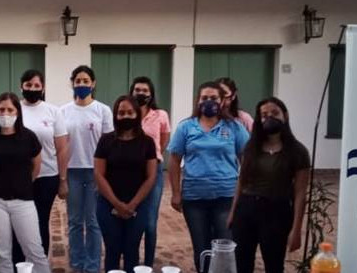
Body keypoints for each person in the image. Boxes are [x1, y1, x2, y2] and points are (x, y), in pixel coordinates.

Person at [167, 81, 249, 273]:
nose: (209, 101)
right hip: (194, 199)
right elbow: (174, 160)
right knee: (202, 248)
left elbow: (247, 159)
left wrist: (243, 190)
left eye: (214, 98)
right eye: (204, 98)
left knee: (224, 247)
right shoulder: (186, 127)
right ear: (198, 100)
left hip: (226, 197)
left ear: (222, 101)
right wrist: (176, 193)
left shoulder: (234, 127)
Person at [229, 97, 310, 273]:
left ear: (285, 116)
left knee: (274, 265)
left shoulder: (298, 152)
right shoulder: (251, 147)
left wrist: (296, 229)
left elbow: (300, 193)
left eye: (274, 113)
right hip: (247, 209)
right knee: (242, 264)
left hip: (277, 212)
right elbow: (241, 181)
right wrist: (233, 212)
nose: (269, 118)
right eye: (264, 115)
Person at [0, 92, 51, 273]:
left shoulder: (29, 137)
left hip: (23, 201)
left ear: (18, 112)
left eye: (10, 110)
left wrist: (21, 184)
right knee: (1, 252)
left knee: (34, 249)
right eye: (1, 110)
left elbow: (36, 167)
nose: (6, 114)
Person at [11, 69, 69, 264]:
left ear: (43, 88)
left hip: (47, 177)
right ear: (21, 86)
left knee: (40, 221)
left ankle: (39, 264)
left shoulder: (53, 111)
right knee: (17, 222)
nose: (33, 88)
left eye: (37, 85)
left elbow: (62, 148)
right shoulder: (14, 109)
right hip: (18, 178)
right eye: (29, 85)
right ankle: (18, 264)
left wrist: (62, 179)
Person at [94, 95, 157, 272]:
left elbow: (151, 176)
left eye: (130, 112)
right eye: (121, 113)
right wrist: (117, 204)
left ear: (137, 114)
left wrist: (133, 204)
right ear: (115, 115)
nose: (126, 116)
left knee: (132, 250)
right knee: (112, 250)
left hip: (138, 205)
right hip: (108, 204)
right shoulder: (106, 140)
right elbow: (98, 174)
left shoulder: (147, 142)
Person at [62, 65, 113, 273]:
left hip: (95, 172)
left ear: (93, 84)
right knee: (74, 221)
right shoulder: (63, 111)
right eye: (78, 81)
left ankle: (92, 265)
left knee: (93, 221)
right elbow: (61, 145)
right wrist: (62, 177)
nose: (82, 84)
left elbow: (109, 144)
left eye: (86, 81)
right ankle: (76, 262)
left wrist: (106, 175)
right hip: (72, 171)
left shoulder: (103, 110)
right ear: (72, 83)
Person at [130, 76, 170, 268]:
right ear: (132, 92)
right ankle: (132, 261)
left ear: (151, 94)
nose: (141, 93)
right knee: (133, 217)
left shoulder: (160, 115)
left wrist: (154, 156)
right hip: (132, 172)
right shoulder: (128, 113)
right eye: (137, 90)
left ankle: (147, 264)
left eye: (145, 90)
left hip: (154, 171)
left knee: (150, 222)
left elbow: (163, 139)